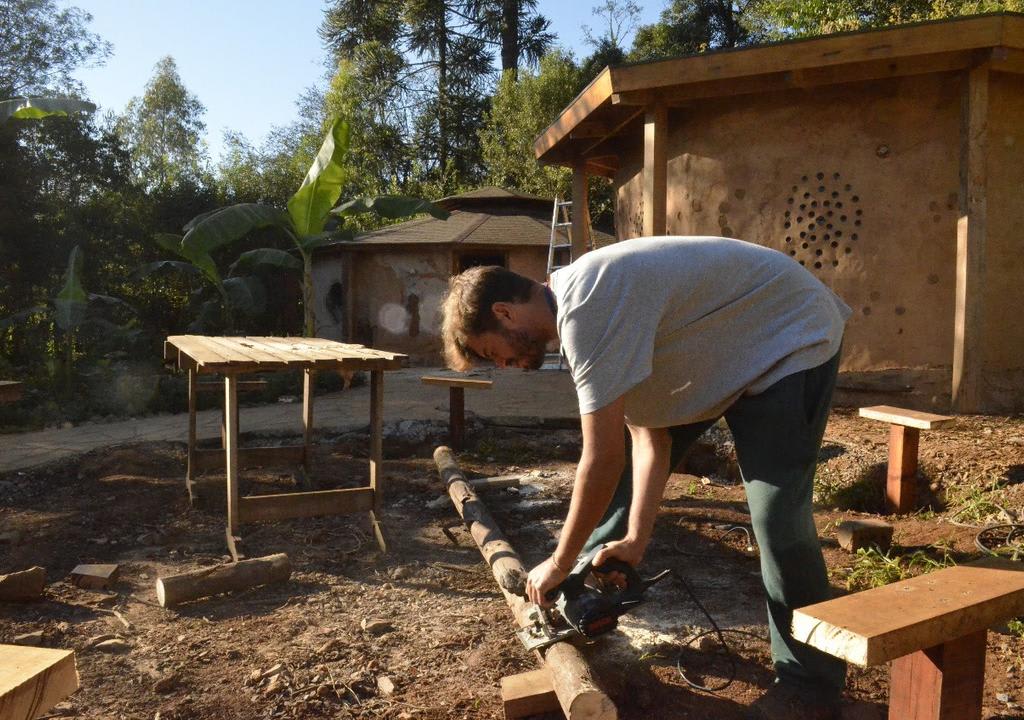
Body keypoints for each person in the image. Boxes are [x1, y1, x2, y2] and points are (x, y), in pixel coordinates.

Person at [440, 235, 851, 719]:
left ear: (506, 313)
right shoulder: (588, 313)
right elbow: (649, 434)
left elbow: (601, 456)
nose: (504, 366)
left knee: (778, 516)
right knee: (618, 487)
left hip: (788, 336)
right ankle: (584, 601)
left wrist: (555, 558)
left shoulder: (588, 305)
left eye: (494, 354)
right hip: (729, 353)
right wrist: (635, 538)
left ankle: (810, 683)